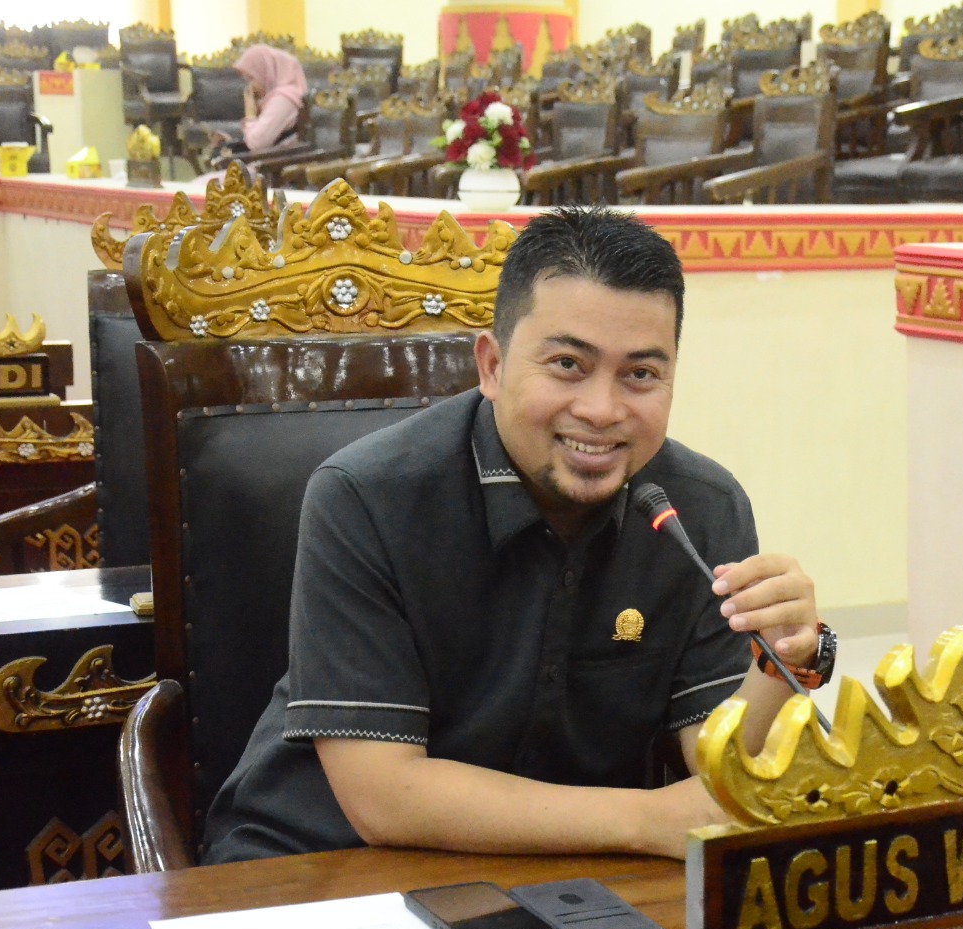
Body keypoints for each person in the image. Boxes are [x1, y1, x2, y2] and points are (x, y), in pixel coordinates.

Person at [202, 206, 834, 864]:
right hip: (322, 866)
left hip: (566, 872)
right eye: (567, 364)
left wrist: (783, 659)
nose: (601, 410)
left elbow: (715, 763)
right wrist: (648, 819)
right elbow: (383, 794)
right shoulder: (365, 496)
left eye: (640, 375)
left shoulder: (701, 506)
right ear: (493, 365)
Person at [210, 43, 306, 159]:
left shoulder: (283, 99)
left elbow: (256, 144)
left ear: (267, 72)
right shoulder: (279, 97)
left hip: (272, 165)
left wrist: (250, 113)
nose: (250, 86)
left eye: (252, 78)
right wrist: (229, 141)